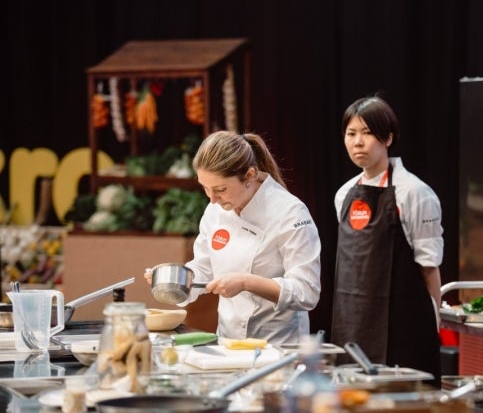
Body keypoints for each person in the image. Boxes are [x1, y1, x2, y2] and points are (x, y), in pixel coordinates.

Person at [144, 131, 321, 345]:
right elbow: (204, 268)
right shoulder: (215, 209)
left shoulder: (290, 212)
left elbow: (307, 291)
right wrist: (178, 279)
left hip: (279, 346)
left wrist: (247, 282)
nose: (212, 199)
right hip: (228, 343)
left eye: (220, 189)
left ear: (250, 175)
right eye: (205, 188)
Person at [331, 95, 443, 380]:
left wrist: (435, 322)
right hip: (351, 322)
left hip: (403, 325)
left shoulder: (415, 192)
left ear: (388, 138)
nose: (357, 142)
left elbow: (429, 267)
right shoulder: (343, 194)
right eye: (351, 133)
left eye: (367, 133)